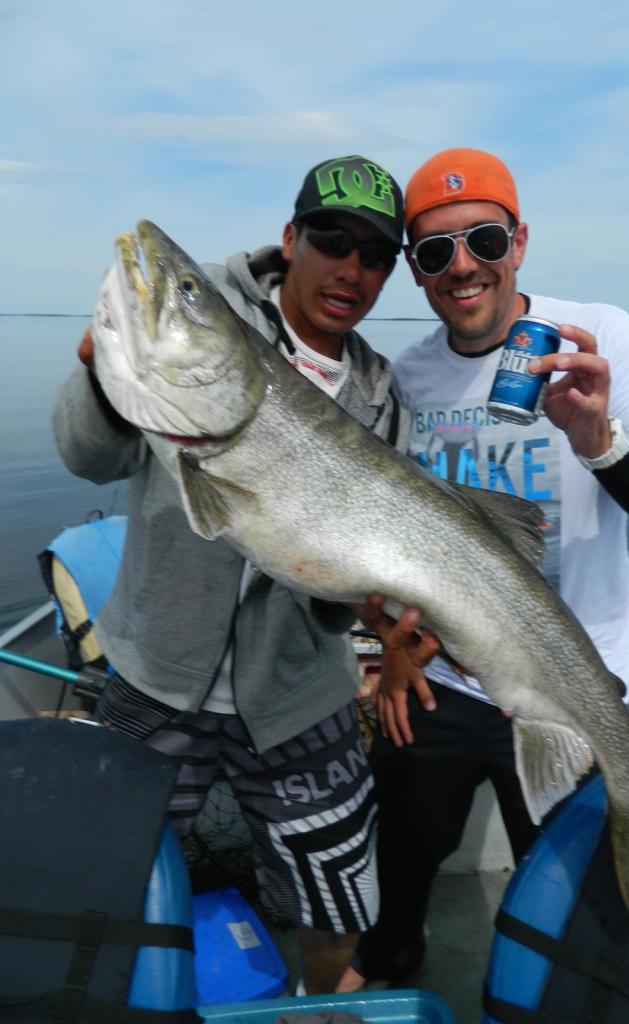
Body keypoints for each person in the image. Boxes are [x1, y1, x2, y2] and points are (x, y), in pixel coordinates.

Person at [340, 147, 629, 989]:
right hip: (445, 681)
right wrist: (390, 644)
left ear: (520, 241)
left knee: (568, 904)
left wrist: (598, 440)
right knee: (401, 869)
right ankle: (391, 969)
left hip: (573, 688)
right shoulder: (406, 377)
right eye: (433, 251)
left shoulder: (597, 334)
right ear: (418, 273)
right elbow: (386, 537)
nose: (462, 266)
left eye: (484, 240)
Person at [52, 154, 412, 996]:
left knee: (339, 906)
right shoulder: (208, 311)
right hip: (154, 675)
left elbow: (340, 608)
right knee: (113, 878)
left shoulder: (380, 392)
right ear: (291, 239)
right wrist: (104, 378)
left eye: (375, 255)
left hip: (299, 696)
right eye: (332, 239)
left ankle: (318, 1005)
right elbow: (85, 453)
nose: (350, 268)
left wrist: (368, 604)